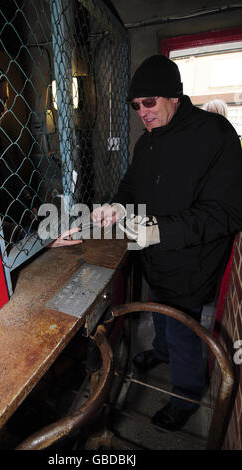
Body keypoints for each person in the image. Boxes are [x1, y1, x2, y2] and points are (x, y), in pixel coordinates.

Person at [91, 54, 242, 431]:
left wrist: (161, 230)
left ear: (174, 96)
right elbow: (131, 186)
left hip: (192, 261)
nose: (142, 112)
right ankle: (159, 353)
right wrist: (117, 205)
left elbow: (228, 212)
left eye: (149, 102)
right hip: (155, 256)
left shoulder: (216, 136)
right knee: (158, 309)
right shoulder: (149, 142)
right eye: (136, 105)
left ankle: (187, 396)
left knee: (182, 328)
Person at [0, 59, 80, 248]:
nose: (2, 107)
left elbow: (12, 185)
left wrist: (32, 210)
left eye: (5, 100)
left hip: (17, 236)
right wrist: (35, 237)